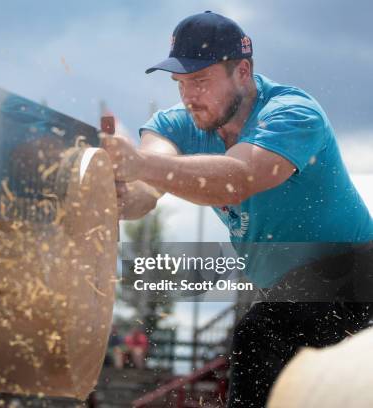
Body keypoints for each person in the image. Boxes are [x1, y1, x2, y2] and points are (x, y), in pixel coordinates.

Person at [101, 10, 373, 408]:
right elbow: (146, 189)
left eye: (200, 81)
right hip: (290, 293)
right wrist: (117, 190)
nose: (188, 96)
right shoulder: (176, 123)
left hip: (354, 275)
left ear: (242, 71)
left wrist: (140, 166)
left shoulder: (293, 113)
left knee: (261, 334)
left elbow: (241, 176)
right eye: (180, 84)